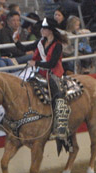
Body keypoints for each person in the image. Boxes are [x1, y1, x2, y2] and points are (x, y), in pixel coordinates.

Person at [14, 18, 71, 146]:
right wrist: (16, 41)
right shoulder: (41, 41)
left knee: (57, 94)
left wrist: (36, 62)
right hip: (41, 72)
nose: (41, 30)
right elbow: (25, 47)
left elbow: (52, 63)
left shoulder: (57, 45)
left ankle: (60, 123)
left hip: (54, 73)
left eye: (44, 29)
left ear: (50, 31)